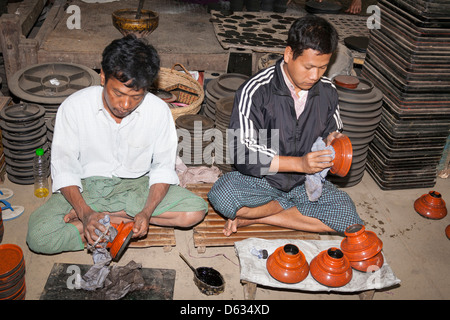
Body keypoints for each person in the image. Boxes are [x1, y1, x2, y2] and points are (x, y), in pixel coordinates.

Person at [26, 35, 208, 254]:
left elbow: (162, 168)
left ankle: (107, 221)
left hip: (136, 186)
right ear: (103, 77)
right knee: (38, 237)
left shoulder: (158, 111)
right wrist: (84, 211)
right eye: (118, 93)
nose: (125, 104)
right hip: (86, 188)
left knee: (194, 212)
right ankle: (103, 219)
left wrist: (147, 212)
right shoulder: (74, 107)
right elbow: (64, 168)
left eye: (136, 97)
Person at [208, 15, 364, 237]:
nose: (314, 76)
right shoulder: (255, 91)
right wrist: (299, 164)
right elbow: (243, 155)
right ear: (289, 54)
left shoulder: (327, 91)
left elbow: (334, 130)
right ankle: (287, 209)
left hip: (304, 183)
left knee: (350, 220)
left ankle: (261, 216)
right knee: (222, 196)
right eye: (309, 66)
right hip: (264, 181)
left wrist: (333, 140)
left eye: (322, 67)